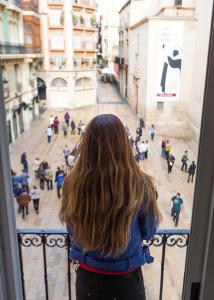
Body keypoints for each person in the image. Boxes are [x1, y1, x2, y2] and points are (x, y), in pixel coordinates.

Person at [60, 114, 161, 300]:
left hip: (88, 277)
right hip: (127, 278)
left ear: (88, 143)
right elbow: (148, 232)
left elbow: (71, 228)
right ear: (123, 143)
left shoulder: (72, 183)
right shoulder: (141, 184)